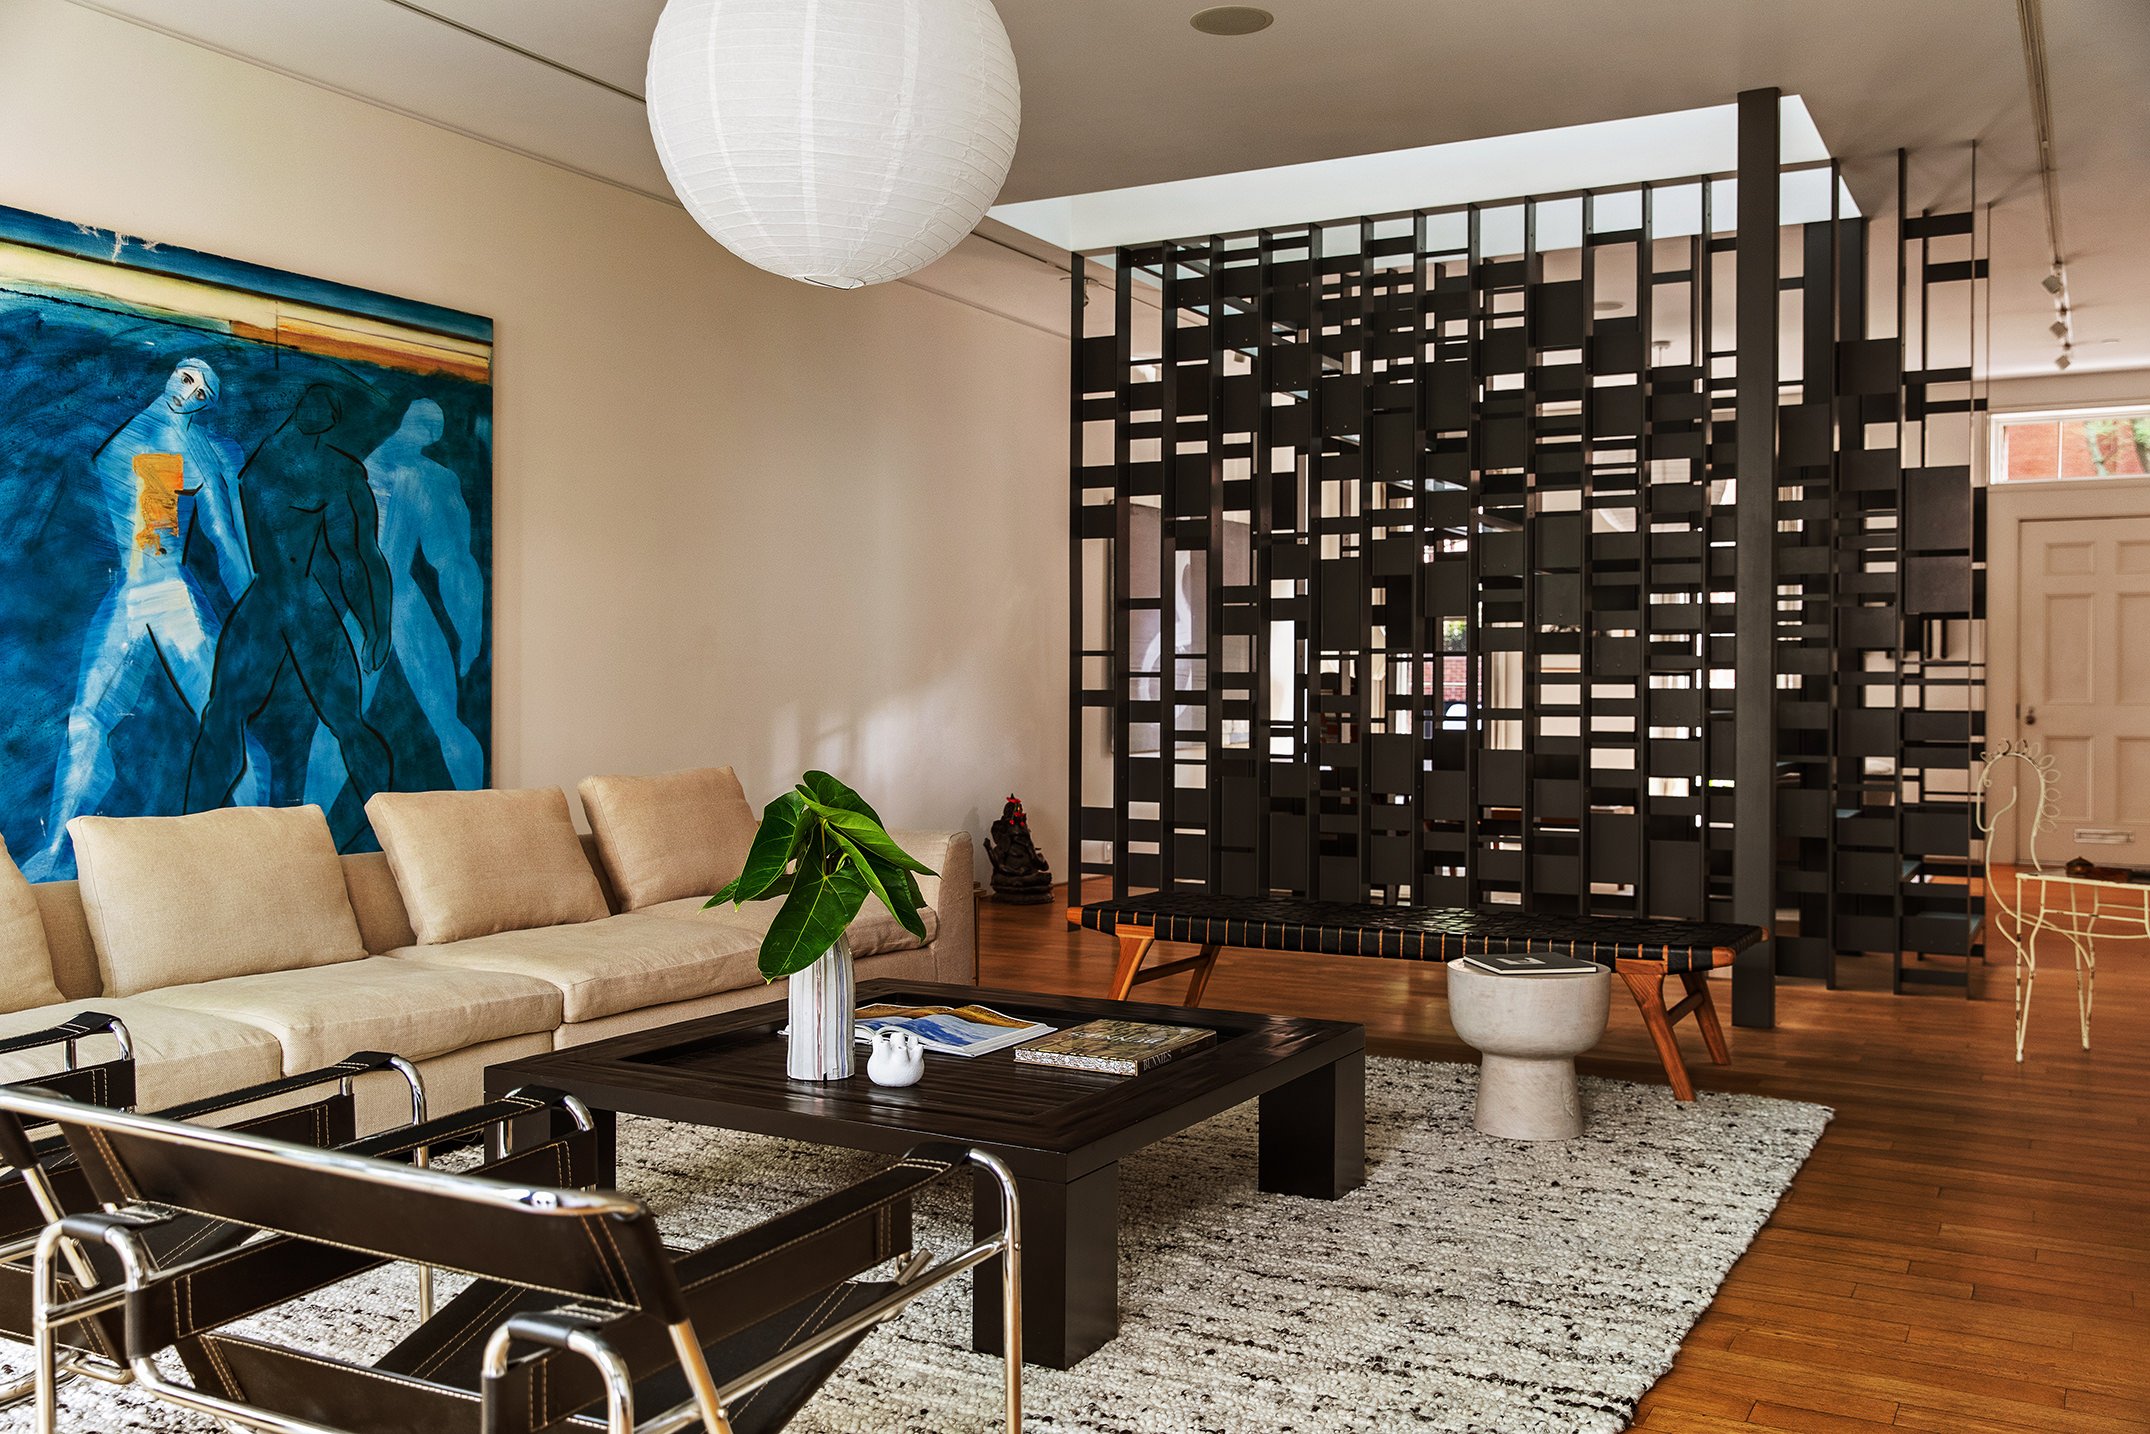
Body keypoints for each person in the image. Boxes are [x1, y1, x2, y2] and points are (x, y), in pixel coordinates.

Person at [19, 359, 259, 879]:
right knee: (85, 720)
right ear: (171, 376)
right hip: (129, 595)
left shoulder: (187, 449)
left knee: (219, 720)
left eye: (203, 389)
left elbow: (221, 540)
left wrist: (253, 615)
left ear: (208, 404)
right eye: (186, 376)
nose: (190, 390)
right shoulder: (144, 431)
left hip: (169, 596)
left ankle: (273, 842)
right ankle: (56, 848)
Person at [183, 385, 394, 813]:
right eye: (308, 403)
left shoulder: (340, 473)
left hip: (307, 606)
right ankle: (190, 826)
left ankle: (397, 822)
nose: (313, 411)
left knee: (347, 722)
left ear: (331, 419)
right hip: (267, 601)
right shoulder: (263, 463)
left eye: (325, 406)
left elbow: (359, 557)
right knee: (223, 712)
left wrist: (378, 625)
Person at [302, 398, 485, 803]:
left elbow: (454, 563)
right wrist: (469, 628)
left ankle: (482, 814)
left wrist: (470, 627)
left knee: (342, 724)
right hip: (391, 600)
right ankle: (309, 828)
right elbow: (453, 561)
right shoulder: (422, 475)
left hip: (378, 600)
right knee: (349, 723)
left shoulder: (359, 467)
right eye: (430, 424)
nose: (433, 432)